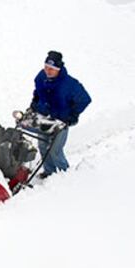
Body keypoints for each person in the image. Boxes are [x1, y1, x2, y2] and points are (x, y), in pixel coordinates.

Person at [29, 50, 92, 178]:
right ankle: (49, 172)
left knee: (55, 150)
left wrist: (72, 115)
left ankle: (66, 175)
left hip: (60, 120)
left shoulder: (70, 84)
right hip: (43, 117)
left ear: (59, 69)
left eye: (52, 69)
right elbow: (38, 91)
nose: (48, 71)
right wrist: (35, 103)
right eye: (46, 67)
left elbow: (85, 99)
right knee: (42, 145)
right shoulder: (41, 76)